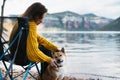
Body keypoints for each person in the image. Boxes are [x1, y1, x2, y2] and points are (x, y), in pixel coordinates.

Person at [9, 2, 59, 76]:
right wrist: (49, 60)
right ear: (35, 15)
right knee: (46, 50)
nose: (41, 21)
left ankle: (45, 76)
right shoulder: (31, 25)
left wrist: (55, 48)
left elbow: (39, 38)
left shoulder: (22, 22)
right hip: (22, 59)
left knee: (46, 47)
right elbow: (33, 52)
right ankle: (46, 77)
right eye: (41, 17)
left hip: (13, 55)